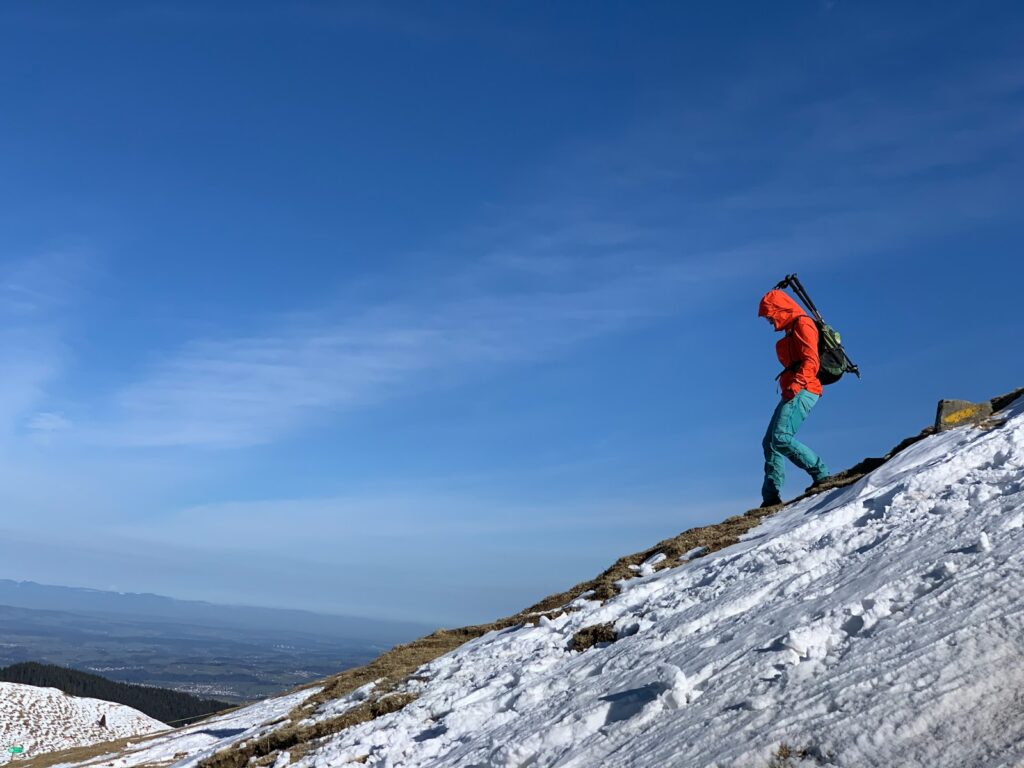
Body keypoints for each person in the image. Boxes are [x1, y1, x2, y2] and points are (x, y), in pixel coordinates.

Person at [758, 289, 830, 507]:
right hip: (794, 388)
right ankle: (770, 498)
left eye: (770, 315)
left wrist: (796, 385)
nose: (770, 320)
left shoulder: (803, 325)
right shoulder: (790, 331)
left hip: (804, 388)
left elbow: (812, 361)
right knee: (770, 442)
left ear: (781, 310)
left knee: (780, 437)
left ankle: (821, 475)